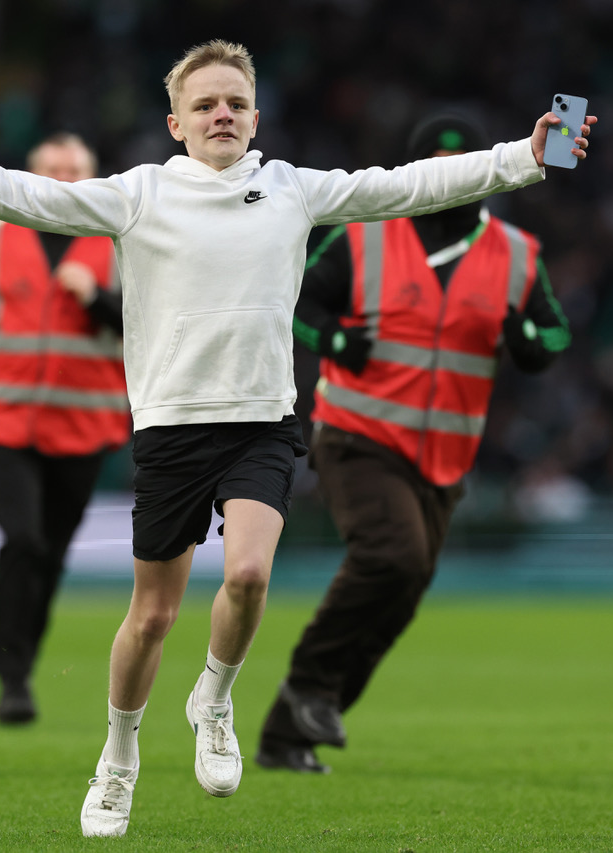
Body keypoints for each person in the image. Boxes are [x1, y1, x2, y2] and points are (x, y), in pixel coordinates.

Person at [0, 39, 595, 838]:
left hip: (263, 422)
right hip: (172, 429)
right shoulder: (139, 195)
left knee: (246, 574)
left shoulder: (291, 191)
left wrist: (527, 155)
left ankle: (214, 698)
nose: (222, 115)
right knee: (152, 617)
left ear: (255, 117)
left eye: (236, 103)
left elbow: (410, 185)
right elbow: (23, 196)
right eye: (206, 104)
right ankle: (119, 755)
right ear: (176, 122)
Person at [255, 110, 574, 774]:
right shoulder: (365, 236)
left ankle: (291, 728)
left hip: (444, 457)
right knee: (394, 556)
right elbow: (295, 303)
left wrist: (529, 345)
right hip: (357, 434)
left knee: (404, 587)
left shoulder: (517, 254)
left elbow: (556, 334)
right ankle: (312, 683)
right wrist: (335, 337)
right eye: (431, 162)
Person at [0, 133, 129, 726]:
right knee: (24, 542)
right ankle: (11, 679)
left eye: (75, 169)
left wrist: (98, 301)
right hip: (4, 419)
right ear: (29, 176)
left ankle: (24, 661)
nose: (63, 177)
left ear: (92, 179)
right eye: (52, 168)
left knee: (52, 556)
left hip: (85, 422)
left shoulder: (120, 240)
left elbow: (152, 324)